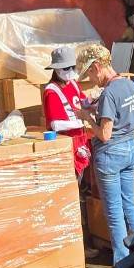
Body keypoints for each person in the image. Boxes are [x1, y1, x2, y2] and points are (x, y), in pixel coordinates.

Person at [78, 43, 134, 268]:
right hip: (130, 149)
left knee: (114, 213)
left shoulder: (108, 94)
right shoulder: (130, 85)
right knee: (130, 207)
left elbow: (104, 134)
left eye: (90, 74)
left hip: (111, 154)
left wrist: (87, 117)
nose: (91, 80)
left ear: (97, 67)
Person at [41, 45, 91, 179]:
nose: (70, 71)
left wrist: (94, 101)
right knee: (72, 182)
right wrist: (80, 123)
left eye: (73, 67)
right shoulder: (51, 91)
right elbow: (55, 125)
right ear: (56, 69)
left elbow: (82, 101)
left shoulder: (73, 83)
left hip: (80, 141)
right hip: (66, 145)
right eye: (66, 68)